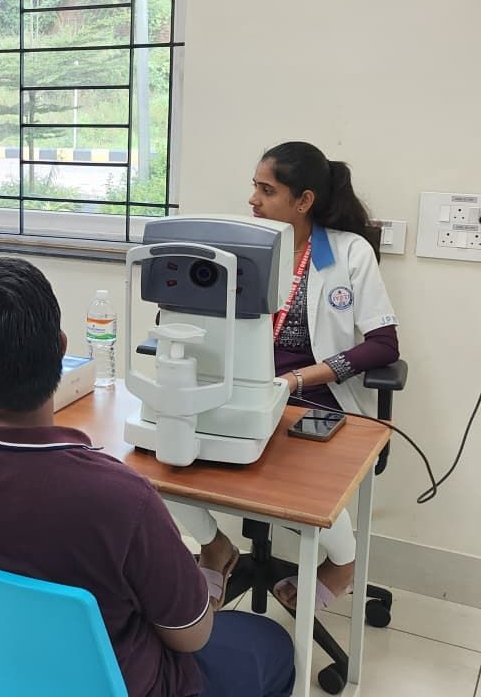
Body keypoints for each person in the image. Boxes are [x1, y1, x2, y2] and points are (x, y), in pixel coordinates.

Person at [0, 258, 295, 697]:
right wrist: (189, 581)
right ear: (61, 350)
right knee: (271, 643)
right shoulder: (121, 500)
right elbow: (192, 636)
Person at [170, 141, 399, 613]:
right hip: (241, 391)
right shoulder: (239, 249)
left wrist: (297, 380)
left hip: (314, 397)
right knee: (163, 452)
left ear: (304, 200)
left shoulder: (349, 252)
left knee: (304, 480)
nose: (252, 199)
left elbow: (383, 345)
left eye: (267, 190)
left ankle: (344, 562)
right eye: (254, 187)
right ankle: (214, 544)